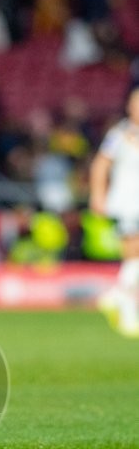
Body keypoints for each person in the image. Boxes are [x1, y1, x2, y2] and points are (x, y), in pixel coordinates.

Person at [89, 85, 139, 338]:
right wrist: (98, 194)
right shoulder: (119, 134)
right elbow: (100, 165)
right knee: (133, 253)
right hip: (128, 203)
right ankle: (126, 307)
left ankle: (118, 296)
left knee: (134, 259)